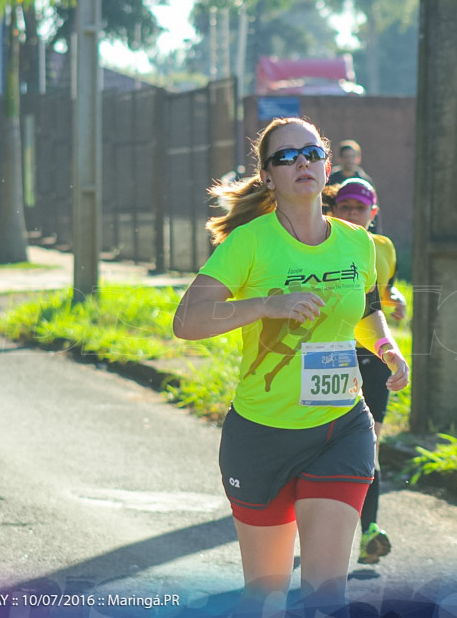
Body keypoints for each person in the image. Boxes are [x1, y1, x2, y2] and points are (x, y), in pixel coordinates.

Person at [173, 117, 409, 617]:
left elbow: (366, 314)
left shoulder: (358, 243)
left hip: (339, 429)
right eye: (286, 156)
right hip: (260, 437)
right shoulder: (249, 244)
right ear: (268, 177)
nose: (301, 161)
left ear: (327, 165)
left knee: (326, 593)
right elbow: (187, 320)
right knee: (266, 595)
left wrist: (387, 348)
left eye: (311, 152)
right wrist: (265, 306)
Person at [329, 178, 407, 565]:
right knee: (323, 439)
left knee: (368, 443)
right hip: (333, 353)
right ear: (334, 210)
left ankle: (369, 530)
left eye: (360, 208)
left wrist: (399, 301)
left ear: (373, 213)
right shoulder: (325, 243)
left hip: (375, 354)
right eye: (345, 207)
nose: (352, 214)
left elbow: (383, 291)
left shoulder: (384, 247)